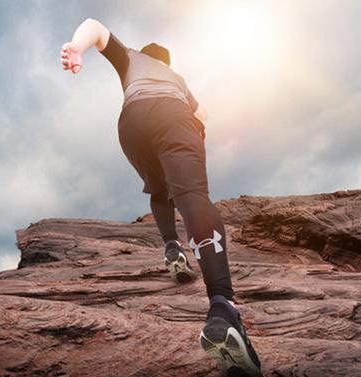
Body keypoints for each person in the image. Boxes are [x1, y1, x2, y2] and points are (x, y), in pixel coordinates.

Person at [60, 18, 262, 376]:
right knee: (192, 196)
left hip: (132, 123)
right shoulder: (177, 79)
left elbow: (94, 26)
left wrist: (77, 48)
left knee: (158, 189)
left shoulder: (131, 59)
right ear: (167, 61)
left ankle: (171, 246)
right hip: (172, 114)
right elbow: (203, 115)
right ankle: (223, 306)